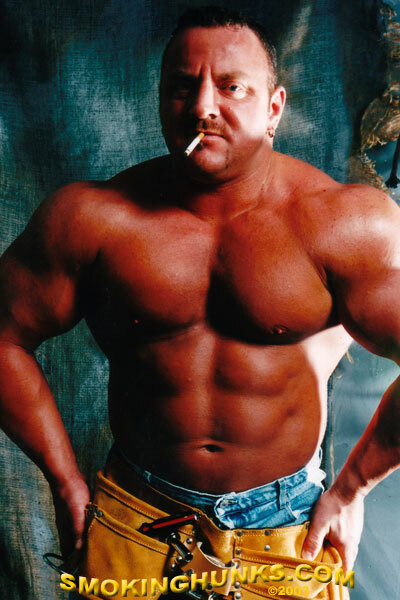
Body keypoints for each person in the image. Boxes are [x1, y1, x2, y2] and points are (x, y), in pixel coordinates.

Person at [0, 5, 399, 599]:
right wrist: (64, 480)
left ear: (274, 108)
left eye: (231, 87)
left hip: (287, 529)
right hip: (136, 516)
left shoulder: (343, 225)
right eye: (183, 87)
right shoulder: (93, 219)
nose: (203, 107)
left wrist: (351, 488)